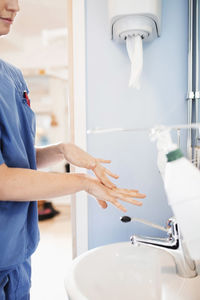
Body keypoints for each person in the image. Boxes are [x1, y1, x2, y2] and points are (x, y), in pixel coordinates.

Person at [0, 0, 146, 299]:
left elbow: (17, 160)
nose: (15, 7)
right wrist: (82, 182)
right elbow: (3, 180)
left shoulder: (11, 75)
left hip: (16, 257)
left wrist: (61, 151)